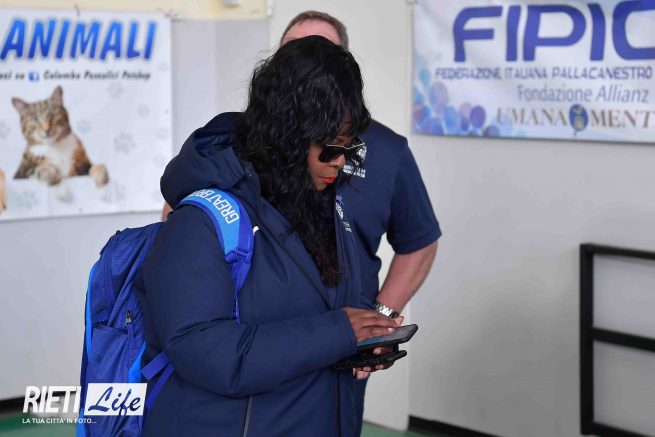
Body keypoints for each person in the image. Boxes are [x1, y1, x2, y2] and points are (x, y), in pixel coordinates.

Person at [160, 11, 441, 434]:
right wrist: (340, 332)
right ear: (289, 130)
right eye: (330, 147)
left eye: (350, 148)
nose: (341, 163)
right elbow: (202, 349)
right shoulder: (205, 215)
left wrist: (368, 332)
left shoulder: (325, 202)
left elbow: (324, 314)